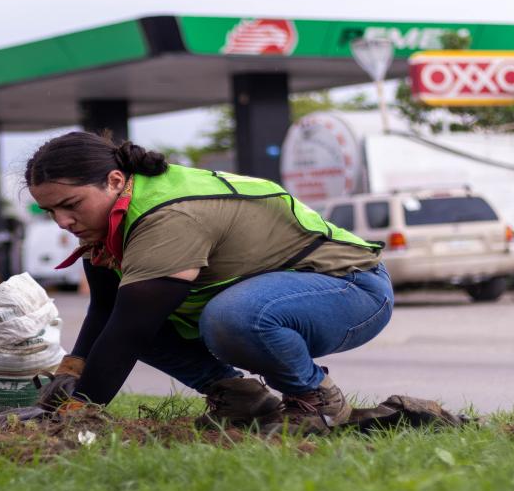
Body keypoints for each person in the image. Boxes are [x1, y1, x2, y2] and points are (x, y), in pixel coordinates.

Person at [21, 131, 393, 435]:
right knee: (144, 314)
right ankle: (240, 398)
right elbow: (106, 309)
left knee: (231, 317)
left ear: (114, 181)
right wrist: (70, 374)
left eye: (71, 204)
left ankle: (316, 399)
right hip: (284, 293)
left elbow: (130, 330)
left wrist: (76, 412)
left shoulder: (168, 215)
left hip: (351, 288)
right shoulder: (107, 221)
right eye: (51, 210)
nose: (63, 221)